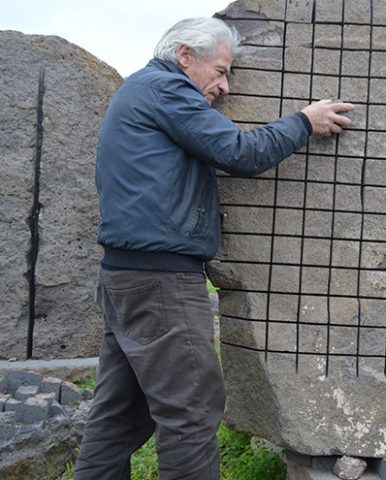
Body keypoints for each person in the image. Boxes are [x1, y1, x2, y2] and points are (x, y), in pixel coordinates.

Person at [73, 17, 353, 480]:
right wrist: (305, 121)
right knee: (192, 410)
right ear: (185, 56)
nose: (224, 86)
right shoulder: (166, 91)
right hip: (161, 281)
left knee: (120, 415)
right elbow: (240, 153)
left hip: (127, 277)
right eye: (220, 71)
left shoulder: (140, 91)